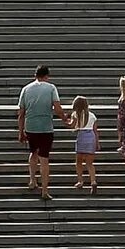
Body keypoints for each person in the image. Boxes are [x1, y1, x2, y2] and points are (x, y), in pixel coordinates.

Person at [17, 64, 69, 199]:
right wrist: (65, 119)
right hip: (45, 127)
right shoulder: (51, 88)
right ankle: (44, 191)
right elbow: (57, 108)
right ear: (47, 76)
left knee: (33, 153)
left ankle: (32, 180)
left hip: (31, 127)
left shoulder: (26, 89)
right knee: (44, 159)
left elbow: (21, 113)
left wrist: (20, 131)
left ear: (35, 75)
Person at [69, 96, 100, 194]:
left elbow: (72, 125)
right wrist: (97, 142)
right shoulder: (92, 115)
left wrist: (65, 120)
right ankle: (93, 181)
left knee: (79, 161)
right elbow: (95, 130)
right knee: (89, 163)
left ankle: (80, 181)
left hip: (81, 136)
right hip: (91, 136)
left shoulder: (75, 114)